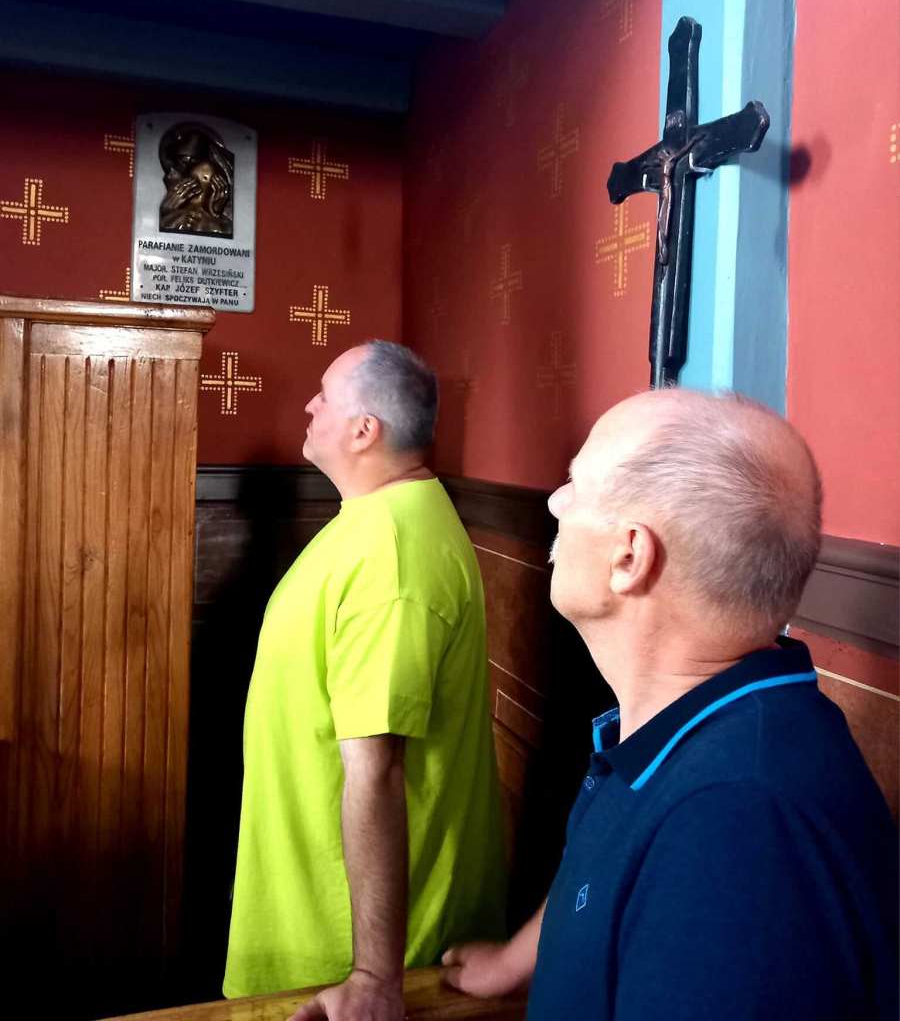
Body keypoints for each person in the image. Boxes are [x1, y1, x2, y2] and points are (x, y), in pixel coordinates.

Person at [442, 389, 898, 1020]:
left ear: (630, 555)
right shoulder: (692, 723)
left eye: (576, 484)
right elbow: (609, 863)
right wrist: (516, 962)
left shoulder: (735, 835)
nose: (554, 502)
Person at [223, 340, 505, 1018]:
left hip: (346, 956)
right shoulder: (376, 519)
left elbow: (376, 770)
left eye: (324, 396)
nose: (308, 405)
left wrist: (374, 976)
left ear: (363, 430)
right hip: (304, 899)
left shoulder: (392, 557)